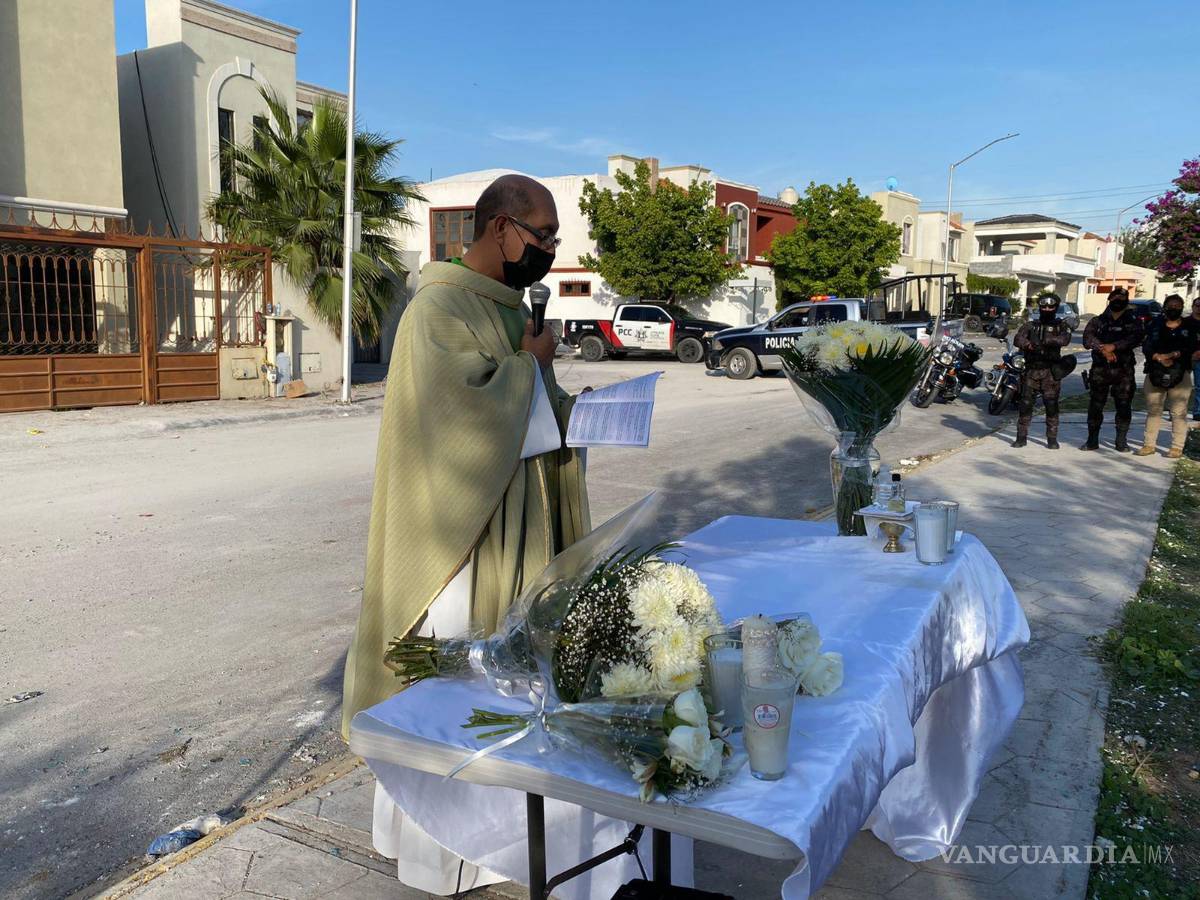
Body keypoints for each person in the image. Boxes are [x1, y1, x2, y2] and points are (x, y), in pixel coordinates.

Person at [341, 174, 591, 893]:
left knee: (512, 687)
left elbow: (533, 405)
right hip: (462, 541)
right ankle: (439, 850)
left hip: (520, 529)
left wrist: (572, 407)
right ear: (500, 228)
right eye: (541, 236)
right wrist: (529, 371)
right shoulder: (436, 309)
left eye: (552, 239)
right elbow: (461, 416)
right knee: (457, 689)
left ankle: (499, 844)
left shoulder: (508, 308)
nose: (546, 250)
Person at [1080, 287, 1145, 451]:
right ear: (1109, 299)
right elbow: (1087, 339)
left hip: (1123, 371)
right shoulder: (1098, 321)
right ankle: (1092, 440)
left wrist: (1114, 346)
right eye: (1115, 298)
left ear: (1126, 301)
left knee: (1123, 406)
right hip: (1100, 370)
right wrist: (1103, 349)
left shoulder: (1133, 321)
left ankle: (1121, 441)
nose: (1118, 301)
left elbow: (1136, 338)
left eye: (1122, 298)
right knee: (1095, 406)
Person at [1136, 294, 1199, 458]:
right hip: (1155, 371)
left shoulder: (1188, 326)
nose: (1174, 308)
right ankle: (1149, 445)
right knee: (1154, 410)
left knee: (1178, 412)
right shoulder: (1154, 324)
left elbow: (1192, 346)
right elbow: (1146, 345)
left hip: (1180, 373)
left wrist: (1174, 355)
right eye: (1170, 305)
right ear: (1164, 306)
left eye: (1177, 306)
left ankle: (1177, 447)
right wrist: (1157, 357)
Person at [1011, 293, 1073, 448]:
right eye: (1043, 306)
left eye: (1050, 306)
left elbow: (1064, 339)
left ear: (1055, 307)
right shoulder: (1031, 325)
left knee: (1051, 405)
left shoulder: (1061, 325)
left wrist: (1047, 341)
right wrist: (1030, 345)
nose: (1046, 309)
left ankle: (1052, 438)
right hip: (1031, 371)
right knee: (1025, 404)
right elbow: (1017, 339)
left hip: (1050, 372)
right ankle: (1021, 437)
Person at [1191, 297, 1200, 422]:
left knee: (1199, 386)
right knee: (1178, 387)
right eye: (1197, 305)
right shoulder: (1185, 322)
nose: (1199, 308)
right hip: (1184, 358)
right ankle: (1173, 410)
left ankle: (1198, 411)